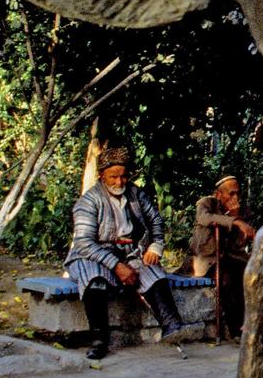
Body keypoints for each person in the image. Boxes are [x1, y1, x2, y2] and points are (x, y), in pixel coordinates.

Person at [65, 146, 200, 359]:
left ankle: (172, 326)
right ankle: (99, 340)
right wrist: (117, 266)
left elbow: (155, 220)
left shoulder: (136, 194)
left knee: (153, 273)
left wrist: (155, 246)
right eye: (113, 177)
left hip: (130, 252)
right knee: (94, 279)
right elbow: (84, 243)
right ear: (102, 176)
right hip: (92, 254)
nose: (120, 182)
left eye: (124, 176)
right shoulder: (88, 202)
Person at [190, 175, 257, 341]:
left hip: (229, 259)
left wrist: (237, 217)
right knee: (225, 279)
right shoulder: (206, 203)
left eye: (237, 194)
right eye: (231, 194)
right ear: (218, 194)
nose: (235, 198)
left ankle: (247, 325)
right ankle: (236, 330)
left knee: (246, 275)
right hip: (206, 260)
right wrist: (234, 221)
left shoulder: (243, 210)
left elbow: (238, 246)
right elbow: (204, 218)